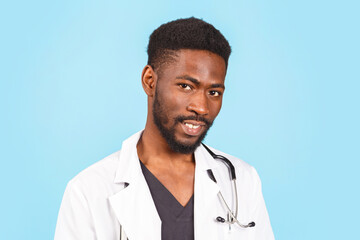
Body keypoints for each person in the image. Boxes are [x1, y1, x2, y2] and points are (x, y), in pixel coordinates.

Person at [54, 17, 274, 240]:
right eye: (186, 86)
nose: (201, 107)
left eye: (214, 92)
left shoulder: (242, 181)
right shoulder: (88, 191)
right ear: (150, 81)